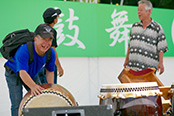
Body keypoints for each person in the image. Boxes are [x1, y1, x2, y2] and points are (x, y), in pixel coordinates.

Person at [4, 24, 56, 116]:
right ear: (36, 39)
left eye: (49, 40)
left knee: (41, 98)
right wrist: (33, 86)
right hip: (14, 74)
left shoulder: (51, 53)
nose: (46, 43)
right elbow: (22, 73)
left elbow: (50, 71)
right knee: (17, 103)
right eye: (44, 39)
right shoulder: (24, 50)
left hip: (32, 74)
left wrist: (50, 88)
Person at [124, 0, 168, 75]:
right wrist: (126, 59)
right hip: (133, 67)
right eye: (138, 10)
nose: (138, 12)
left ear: (149, 11)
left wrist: (161, 63)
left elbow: (161, 47)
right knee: (134, 86)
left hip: (149, 68)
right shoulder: (134, 26)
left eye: (141, 10)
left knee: (148, 87)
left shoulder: (157, 28)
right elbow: (130, 45)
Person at [37, 7, 64, 84]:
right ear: (54, 20)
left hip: (38, 64)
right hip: (49, 64)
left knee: (40, 90)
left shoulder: (39, 28)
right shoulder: (52, 31)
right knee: (50, 89)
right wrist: (59, 66)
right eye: (57, 17)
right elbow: (52, 50)